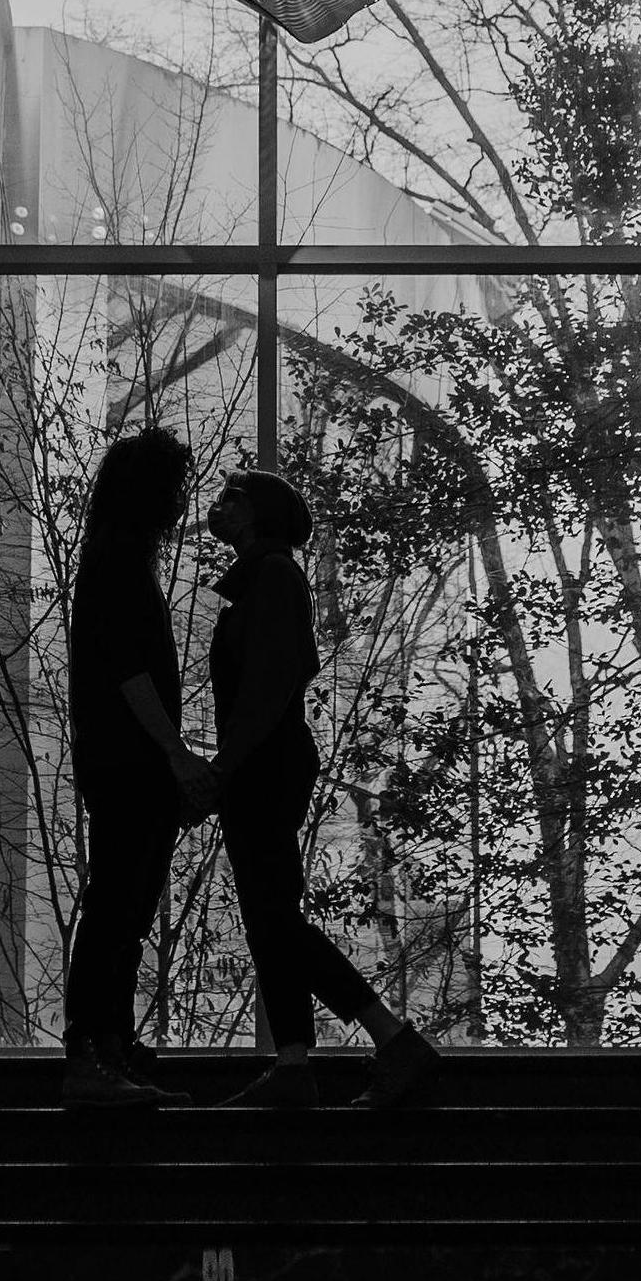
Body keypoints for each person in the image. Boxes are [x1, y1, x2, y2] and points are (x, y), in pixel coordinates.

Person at [201, 468, 437, 1110]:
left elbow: (272, 683)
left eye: (231, 499)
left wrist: (228, 764)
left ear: (256, 514)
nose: (218, 508)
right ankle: (294, 1064)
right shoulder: (261, 579)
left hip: (266, 763)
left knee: (272, 915)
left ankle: (394, 1041)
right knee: (267, 918)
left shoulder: (273, 577)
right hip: (261, 759)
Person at [61, 425, 209, 1108]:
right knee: (118, 907)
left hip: (123, 762)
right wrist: (175, 754)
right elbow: (130, 674)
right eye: (174, 489)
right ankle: (93, 1053)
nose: (182, 502)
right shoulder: (121, 567)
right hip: (127, 764)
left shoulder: (118, 561)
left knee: (126, 907)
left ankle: (112, 1047)